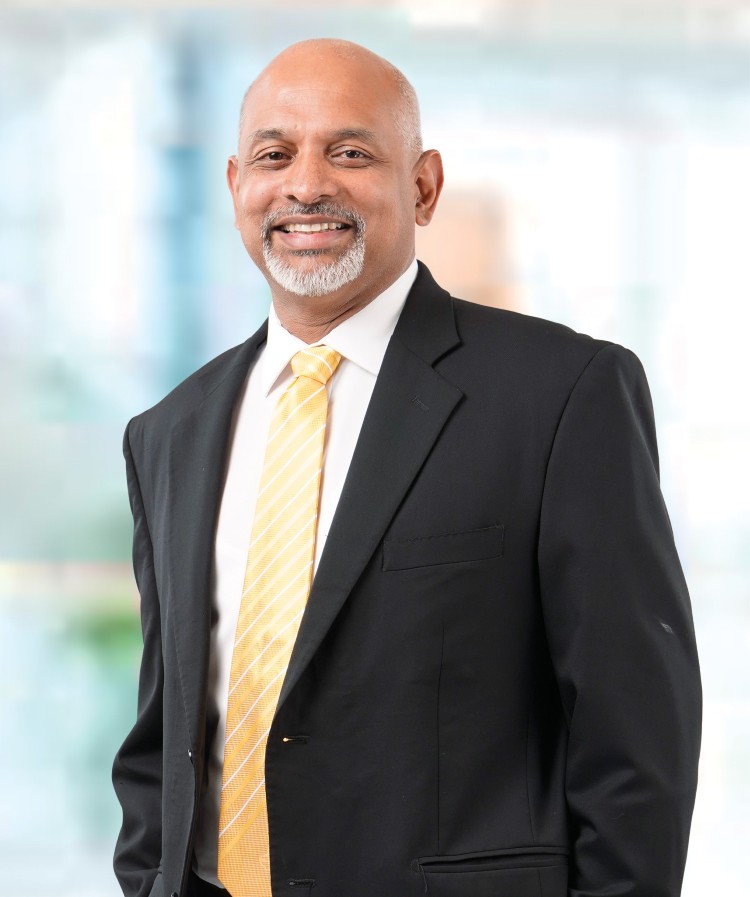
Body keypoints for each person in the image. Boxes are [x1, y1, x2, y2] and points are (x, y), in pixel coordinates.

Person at [112, 38, 701, 897]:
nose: (305, 185)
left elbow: (636, 741)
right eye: (275, 155)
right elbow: (164, 735)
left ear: (423, 185)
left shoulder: (562, 396)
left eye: (350, 153)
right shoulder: (169, 433)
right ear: (236, 184)